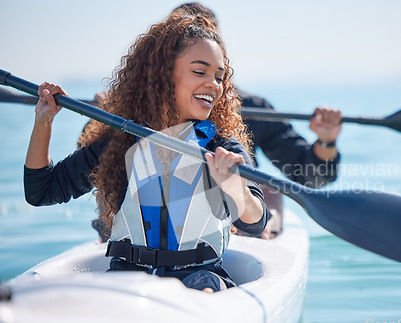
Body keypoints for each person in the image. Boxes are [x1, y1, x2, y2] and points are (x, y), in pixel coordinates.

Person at [24, 13, 269, 293]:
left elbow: (255, 222)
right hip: (127, 280)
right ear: (165, 74)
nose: (214, 85)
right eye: (200, 72)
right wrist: (43, 123)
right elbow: (41, 191)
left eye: (219, 76)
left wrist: (237, 191)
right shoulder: (119, 143)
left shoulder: (221, 148)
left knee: (205, 288)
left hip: (200, 281)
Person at [90, 2, 342, 241]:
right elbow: (94, 167)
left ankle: (265, 222)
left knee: (270, 193)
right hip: (149, 227)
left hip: (228, 221)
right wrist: (102, 117)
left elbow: (311, 176)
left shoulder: (252, 108)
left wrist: (326, 142)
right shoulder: (130, 114)